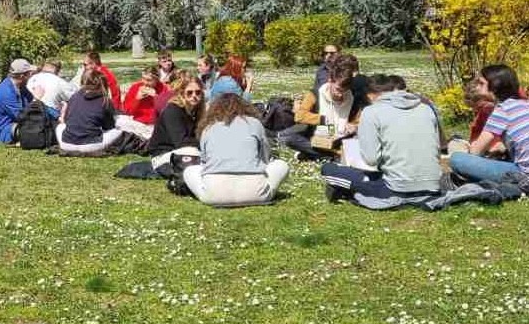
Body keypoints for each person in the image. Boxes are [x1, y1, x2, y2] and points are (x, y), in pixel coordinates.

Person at [320, 74, 443, 203]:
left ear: (370, 95)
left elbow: (371, 160)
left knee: (329, 169)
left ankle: (344, 188)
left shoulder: (372, 111)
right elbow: (437, 148)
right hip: (433, 186)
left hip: (397, 188)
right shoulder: (426, 109)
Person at [182, 93, 290, 207]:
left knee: (189, 170)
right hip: (256, 192)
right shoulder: (254, 123)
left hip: (214, 194)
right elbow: (265, 156)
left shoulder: (208, 128)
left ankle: (211, 192)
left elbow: (204, 162)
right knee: (281, 165)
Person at [450, 64, 529, 183]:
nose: (477, 87)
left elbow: (475, 152)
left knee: (457, 159)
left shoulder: (502, 110)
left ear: (495, 86)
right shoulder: (525, 104)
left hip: (524, 175)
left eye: (481, 83)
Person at [56, 68, 124, 156]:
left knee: (60, 126)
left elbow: (66, 120)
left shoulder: (74, 97)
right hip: (91, 145)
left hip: (67, 144)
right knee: (118, 130)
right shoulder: (105, 101)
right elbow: (109, 126)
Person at [148, 72, 204, 171]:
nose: (194, 96)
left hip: (184, 151)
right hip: (163, 154)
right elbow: (181, 142)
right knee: (193, 152)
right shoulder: (173, 110)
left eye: (198, 92)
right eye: (189, 92)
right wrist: (205, 142)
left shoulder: (197, 110)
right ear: (182, 93)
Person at [0, 58, 43, 144]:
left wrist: (56, 116)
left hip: (12, 126)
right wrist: (36, 100)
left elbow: (31, 107)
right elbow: (22, 117)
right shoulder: (6, 91)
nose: (31, 76)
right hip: (0, 133)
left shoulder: (21, 87)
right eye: (29, 74)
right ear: (22, 76)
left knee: (45, 125)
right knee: (38, 130)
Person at [120, 67, 169, 137]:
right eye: (143, 78)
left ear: (157, 80)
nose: (145, 82)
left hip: (155, 124)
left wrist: (156, 97)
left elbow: (167, 112)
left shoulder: (164, 88)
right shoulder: (135, 87)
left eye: (149, 80)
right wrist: (137, 99)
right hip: (137, 123)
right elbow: (128, 111)